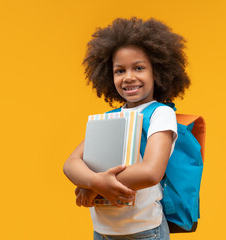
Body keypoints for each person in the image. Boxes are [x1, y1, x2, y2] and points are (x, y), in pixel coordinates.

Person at [63, 17, 190, 240]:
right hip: (103, 231)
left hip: (145, 230)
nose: (129, 77)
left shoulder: (161, 114)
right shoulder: (108, 118)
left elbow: (151, 172)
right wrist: (95, 182)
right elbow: (71, 163)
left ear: (157, 72)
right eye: (119, 71)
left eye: (139, 68)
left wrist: (95, 186)